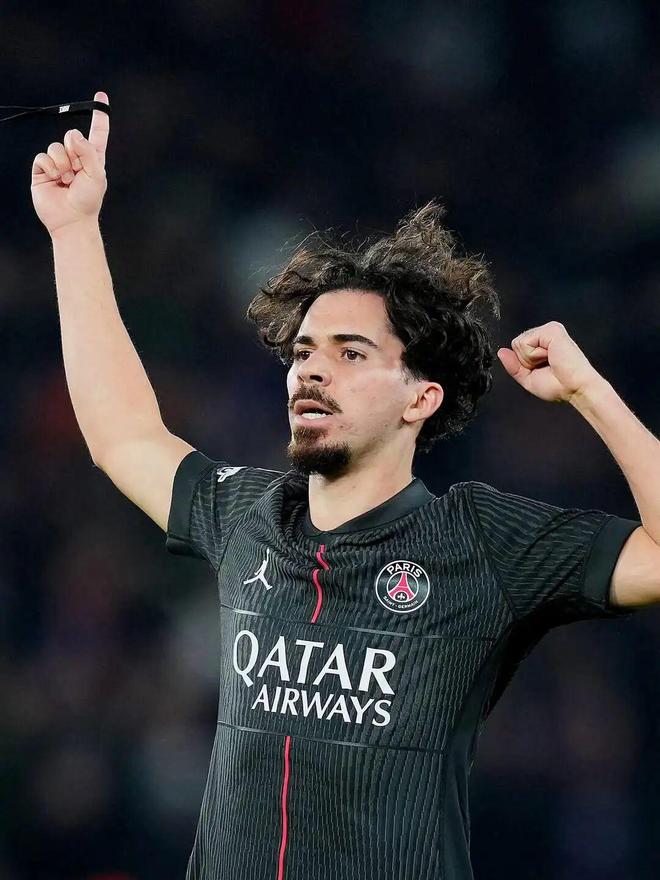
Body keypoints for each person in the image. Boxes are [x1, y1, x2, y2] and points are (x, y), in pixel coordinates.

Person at [31, 91, 660, 880]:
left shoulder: (479, 541)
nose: (311, 370)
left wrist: (590, 393)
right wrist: (74, 232)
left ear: (419, 398)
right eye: (302, 353)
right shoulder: (248, 515)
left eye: (350, 353)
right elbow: (123, 434)